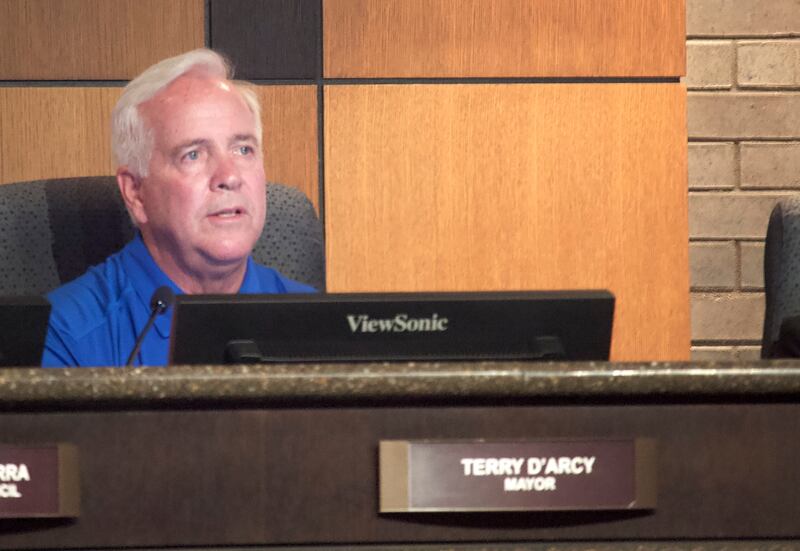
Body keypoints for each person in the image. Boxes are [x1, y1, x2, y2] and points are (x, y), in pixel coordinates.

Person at [42, 49, 315, 367]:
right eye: (194, 155)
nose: (229, 176)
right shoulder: (62, 336)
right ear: (136, 192)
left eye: (243, 149)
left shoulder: (317, 323)